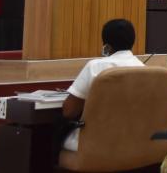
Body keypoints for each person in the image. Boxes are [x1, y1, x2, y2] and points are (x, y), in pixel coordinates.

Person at [62, 19, 144, 151]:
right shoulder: (144, 69)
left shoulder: (95, 67)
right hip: (132, 144)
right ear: (132, 42)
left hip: (95, 144)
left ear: (107, 46)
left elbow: (69, 111)